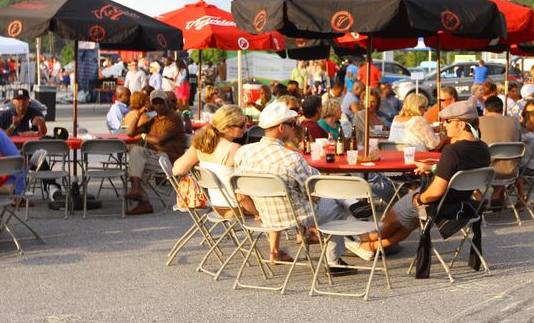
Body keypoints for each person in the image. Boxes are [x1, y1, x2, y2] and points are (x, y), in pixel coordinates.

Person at [346, 101, 490, 257]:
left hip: (437, 203)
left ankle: (367, 239)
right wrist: (433, 168)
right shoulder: (484, 148)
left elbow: (435, 191)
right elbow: (461, 171)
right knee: (409, 221)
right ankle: (370, 246)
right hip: (461, 203)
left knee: (395, 215)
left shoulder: (452, 151)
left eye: (448, 121)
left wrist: (419, 199)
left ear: (461, 125)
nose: (444, 125)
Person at [233, 102, 356, 274]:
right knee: (336, 206)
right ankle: (335, 261)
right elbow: (315, 191)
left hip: (266, 215)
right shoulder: (292, 158)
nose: (295, 128)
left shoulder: (243, 152)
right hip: (296, 216)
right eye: (293, 124)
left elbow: (241, 195)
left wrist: (258, 211)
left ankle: (353, 229)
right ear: (282, 127)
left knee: (334, 200)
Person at [173, 105, 257, 218]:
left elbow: (177, 170)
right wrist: (257, 213)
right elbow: (243, 194)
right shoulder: (233, 149)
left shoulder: (201, 146)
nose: (246, 128)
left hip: (216, 207)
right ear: (227, 128)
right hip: (238, 208)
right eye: (242, 125)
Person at [124, 90, 188, 215]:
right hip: (157, 156)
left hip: (170, 158)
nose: (159, 105)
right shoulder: (155, 119)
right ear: (152, 105)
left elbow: (159, 140)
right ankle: (137, 191)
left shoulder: (174, 118)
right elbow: (130, 133)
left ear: (167, 102)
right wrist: (139, 114)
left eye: (161, 102)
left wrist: (143, 136)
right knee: (136, 151)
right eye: (155, 103)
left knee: (135, 165)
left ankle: (143, 200)